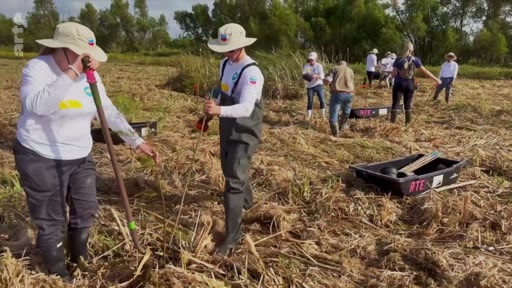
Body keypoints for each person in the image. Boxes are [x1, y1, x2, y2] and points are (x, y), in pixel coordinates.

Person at [13, 22, 160, 281]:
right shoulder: (38, 69)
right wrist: (72, 72)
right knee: (52, 220)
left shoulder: (90, 76)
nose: (90, 61)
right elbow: (38, 106)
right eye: (83, 54)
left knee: (86, 209)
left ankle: (79, 258)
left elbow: (108, 111)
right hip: (40, 156)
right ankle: (58, 271)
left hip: (79, 155)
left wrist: (135, 141)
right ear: (66, 50)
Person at [203, 23, 264, 256]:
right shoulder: (225, 64)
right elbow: (221, 89)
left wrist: (219, 111)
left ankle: (233, 236)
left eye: (229, 49)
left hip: (245, 129)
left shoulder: (252, 73)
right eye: (223, 49)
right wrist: (212, 105)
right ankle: (247, 201)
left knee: (233, 182)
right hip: (227, 126)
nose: (225, 53)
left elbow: (247, 108)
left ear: (240, 47)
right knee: (230, 167)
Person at [390, 41, 441, 125]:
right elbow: (425, 71)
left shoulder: (398, 59)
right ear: (411, 50)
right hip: (409, 84)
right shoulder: (415, 60)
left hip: (398, 84)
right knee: (408, 105)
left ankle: (392, 124)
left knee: (395, 104)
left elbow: (394, 74)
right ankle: (408, 124)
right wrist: (436, 79)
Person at [323, 61, 355, 137]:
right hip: (350, 93)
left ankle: (335, 130)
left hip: (337, 93)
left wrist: (322, 80)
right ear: (346, 65)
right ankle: (342, 126)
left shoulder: (334, 68)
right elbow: (352, 81)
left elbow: (328, 81)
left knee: (334, 112)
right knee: (346, 111)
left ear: (338, 64)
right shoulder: (350, 70)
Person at [302, 52, 325, 119]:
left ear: (316, 59)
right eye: (310, 60)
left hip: (318, 85)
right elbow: (303, 74)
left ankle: (322, 116)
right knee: (310, 101)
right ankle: (308, 116)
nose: (311, 61)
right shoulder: (306, 66)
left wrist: (316, 76)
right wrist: (308, 77)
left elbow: (322, 76)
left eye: (312, 60)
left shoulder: (319, 66)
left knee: (322, 100)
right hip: (310, 86)